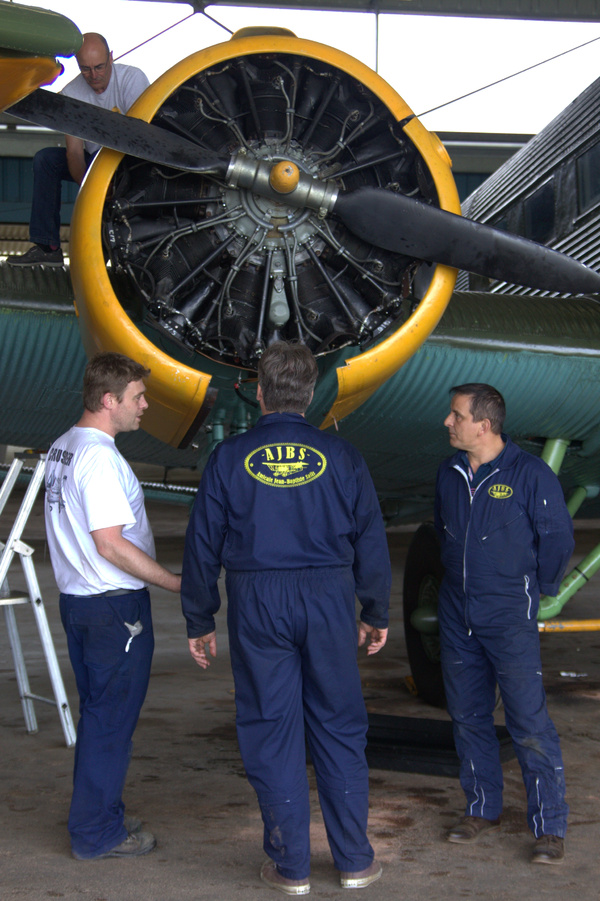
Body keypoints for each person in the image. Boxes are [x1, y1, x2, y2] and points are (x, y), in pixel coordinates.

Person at [181, 341, 391, 895]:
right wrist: (374, 609)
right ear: (312, 393)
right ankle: (354, 861)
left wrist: (199, 617)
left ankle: (291, 867)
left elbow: (202, 544)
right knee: (339, 725)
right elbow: (370, 534)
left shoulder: (228, 458)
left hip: (258, 600)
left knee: (271, 729)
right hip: (328, 597)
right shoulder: (343, 457)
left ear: (258, 392)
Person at [44, 352, 181, 860]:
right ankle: (96, 834)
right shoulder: (99, 457)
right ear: (109, 400)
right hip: (112, 610)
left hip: (81, 605)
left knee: (102, 716)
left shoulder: (63, 446)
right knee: (110, 723)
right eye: (137, 398)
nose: (144, 406)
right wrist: (174, 583)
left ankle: (101, 814)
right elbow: (110, 543)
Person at [435, 383, 573, 865]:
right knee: (468, 714)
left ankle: (549, 826)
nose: (448, 423)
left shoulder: (531, 475)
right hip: (458, 612)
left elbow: (556, 540)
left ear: (484, 425)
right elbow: (442, 532)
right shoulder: (449, 472)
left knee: (528, 721)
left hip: (508, 613)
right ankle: (480, 808)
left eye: (456, 416)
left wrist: (539, 593)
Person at [7, 33, 149, 268]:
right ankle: (47, 247)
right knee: (46, 160)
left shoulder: (132, 79)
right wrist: (93, 189)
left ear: (111, 58)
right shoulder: (72, 94)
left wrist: (114, 185)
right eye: (85, 69)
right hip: (94, 163)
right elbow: (73, 153)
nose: (93, 76)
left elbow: (143, 141)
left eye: (99, 67)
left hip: (130, 162)